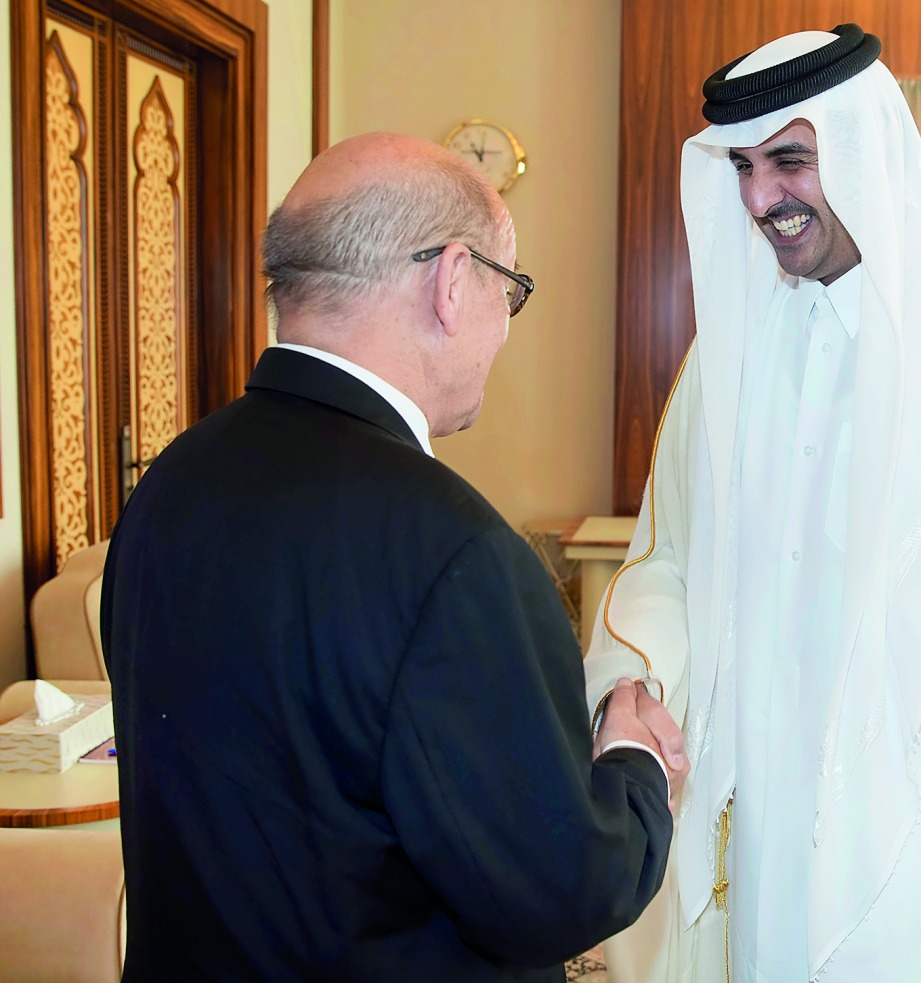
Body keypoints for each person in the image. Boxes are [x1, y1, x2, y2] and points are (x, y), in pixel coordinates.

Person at [584, 26, 921, 983]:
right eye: (743, 167)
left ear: (869, 149)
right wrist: (634, 687)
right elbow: (670, 560)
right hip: (762, 847)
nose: (761, 198)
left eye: (790, 160)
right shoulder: (729, 356)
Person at [101, 131, 689, 982]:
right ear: (453, 282)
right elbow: (558, 891)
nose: (505, 329)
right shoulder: (457, 555)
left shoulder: (168, 484)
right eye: (510, 292)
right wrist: (632, 762)